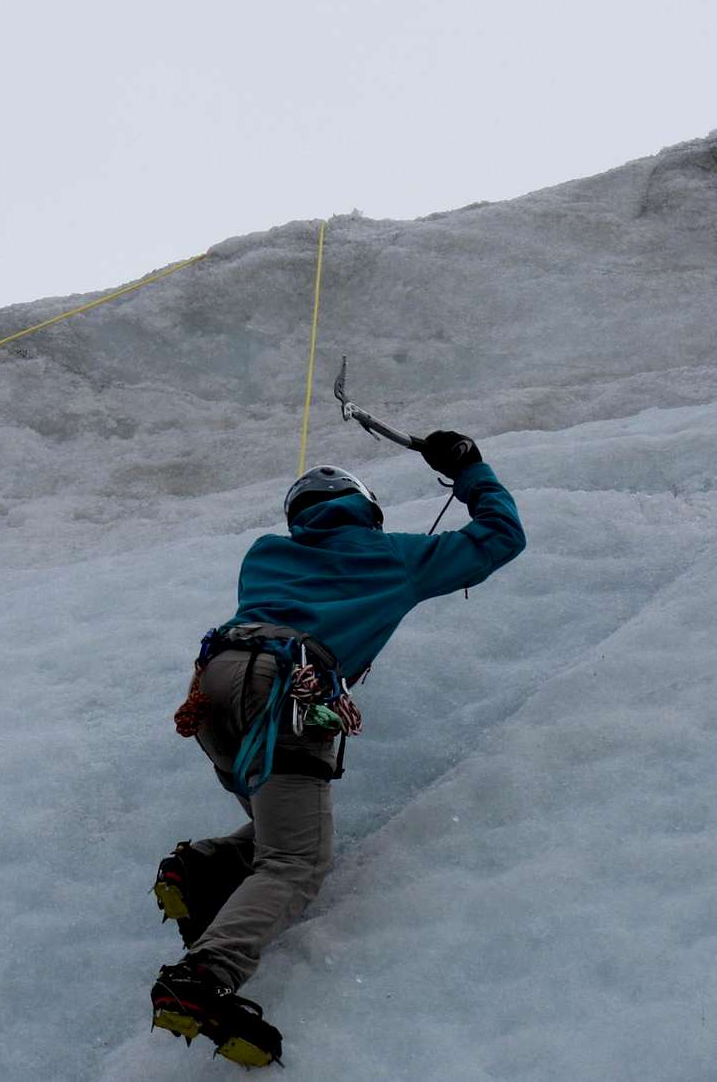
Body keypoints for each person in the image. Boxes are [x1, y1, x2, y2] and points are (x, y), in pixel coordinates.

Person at [150, 431, 526, 1067]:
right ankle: (204, 977)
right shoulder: (393, 556)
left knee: (282, 826)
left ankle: (206, 868)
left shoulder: (265, 553)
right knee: (296, 860)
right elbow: (500, 537)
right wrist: (468, 469)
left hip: (217, 679)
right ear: (367, 508)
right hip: (292, 685)